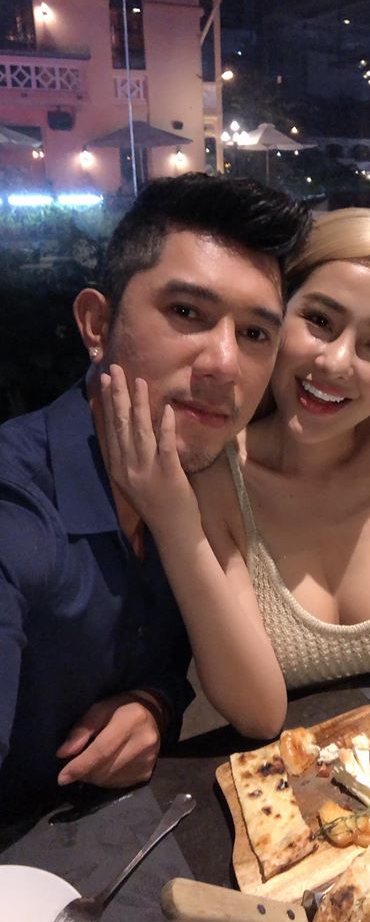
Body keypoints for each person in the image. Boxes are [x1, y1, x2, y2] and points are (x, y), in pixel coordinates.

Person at [104, 206, 370, 701]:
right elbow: (257, 712)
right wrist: (177, 527)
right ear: (276, 314)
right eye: (319, 320)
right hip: (296, 749)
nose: (335, 362)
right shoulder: (216, 477)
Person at [0, 173, 311, 808]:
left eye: (255, 334)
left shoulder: (195, 479)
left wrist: (155, 702)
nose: (224, 363)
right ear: (97, 325)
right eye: (187, 312)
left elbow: (177, 666)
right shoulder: (19, 507)